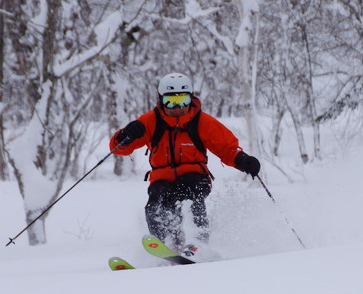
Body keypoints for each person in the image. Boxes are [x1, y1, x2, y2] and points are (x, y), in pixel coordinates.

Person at [109, 72, 260, 255]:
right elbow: (118, 148)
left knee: (192, 198)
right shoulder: (151, 121)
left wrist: (242, 160)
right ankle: (167, 245)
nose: (178, 107)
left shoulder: (201, 122)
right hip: (161, 178)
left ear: (191, 98)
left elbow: (226, 147)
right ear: (162, 101)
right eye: (171, 101)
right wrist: (125, 135)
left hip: (194, 174)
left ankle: (197, 242)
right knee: (155, 205)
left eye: (183, 100)